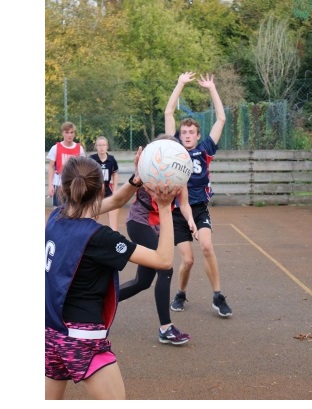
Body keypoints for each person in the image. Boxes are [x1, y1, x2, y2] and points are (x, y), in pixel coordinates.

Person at [45, 153, 182, 400]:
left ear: (65, 189)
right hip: (83, 338)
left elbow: (117, 200)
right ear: (101, 190)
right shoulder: (100, 237)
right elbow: (164, 260)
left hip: (50, 333)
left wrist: (137, 179)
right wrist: (164, 207)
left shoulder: (55, 216)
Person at [165, 71, 232, 317]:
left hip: (200, 207)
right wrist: (180, 83)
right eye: (184, 133)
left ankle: (217, 296)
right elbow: (168, 113)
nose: (187, 136)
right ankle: (181, 293)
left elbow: (221, 118)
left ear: (198, 135)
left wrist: (212, 88)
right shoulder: (174, 148)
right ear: (180, 136)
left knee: (206, 246)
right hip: (177, 211)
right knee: (188, 260)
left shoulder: (205, 150)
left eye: (191, 132)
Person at [119, 134, 198, 345]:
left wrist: (190, 220)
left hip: (158, 228)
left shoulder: (178, 172)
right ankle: (166, 328)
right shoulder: (149, 168)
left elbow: (184, 203)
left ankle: (98, 302)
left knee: (142, 282)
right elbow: (133, 184)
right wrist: (138, 168)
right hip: (139, 222)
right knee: (166, 268)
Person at [47, 121, 86, 207]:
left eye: (72, 132)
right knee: (58, 211)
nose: (69, 135)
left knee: (74, 210)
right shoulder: (56, 148)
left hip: (73, 184)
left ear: (74, 134)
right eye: (67, 132)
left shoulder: (79, 149)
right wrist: (50, 185)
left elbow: (82, 167)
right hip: (59, 183)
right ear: (63, 133)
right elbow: (51, 167)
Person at [89, 136, 120, 230]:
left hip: (107, 188)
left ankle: (114, 231)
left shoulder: (111, 159)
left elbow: (115, 174)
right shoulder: (91, 159)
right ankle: (90, 231)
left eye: (103, 145)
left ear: (107, 146)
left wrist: (114, 189)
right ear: (96, 147)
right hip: (95, 190)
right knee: (93, 213)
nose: (101, 147)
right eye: (99, 145)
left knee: (113, 208)